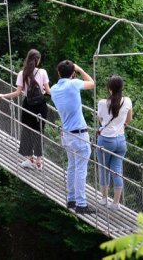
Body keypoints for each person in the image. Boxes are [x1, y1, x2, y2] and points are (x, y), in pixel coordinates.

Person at [50, 60, 95, 214]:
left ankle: (71, 199)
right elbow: (92, 83)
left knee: (72, 166)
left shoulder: (54, 89)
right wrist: (80, 68)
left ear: (58, 73)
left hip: (67, 135)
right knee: (81, 169)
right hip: (80, 135)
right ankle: (81, 204)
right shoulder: (73, 84)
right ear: (73, 73)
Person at [0, 49, 51, 170]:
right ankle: (39, 161)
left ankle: (29, 159)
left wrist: (3, 95)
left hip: (28, 105)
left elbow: (17, 93)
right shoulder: (43, 72)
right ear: (37, 60)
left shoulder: (22, 73)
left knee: (27, 131)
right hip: (41, 106)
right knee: (39, 131)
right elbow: (48, 91)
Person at [96, 75, 132, 210]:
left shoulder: (102, 103)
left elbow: (101, 120)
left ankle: (104, 199)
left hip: (106, 140)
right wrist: (121, 125)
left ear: (109, 88)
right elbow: (129, 119)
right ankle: (116, 203)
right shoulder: (127, 101)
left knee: (104, 169)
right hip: (121, 141)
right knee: (117, 171)